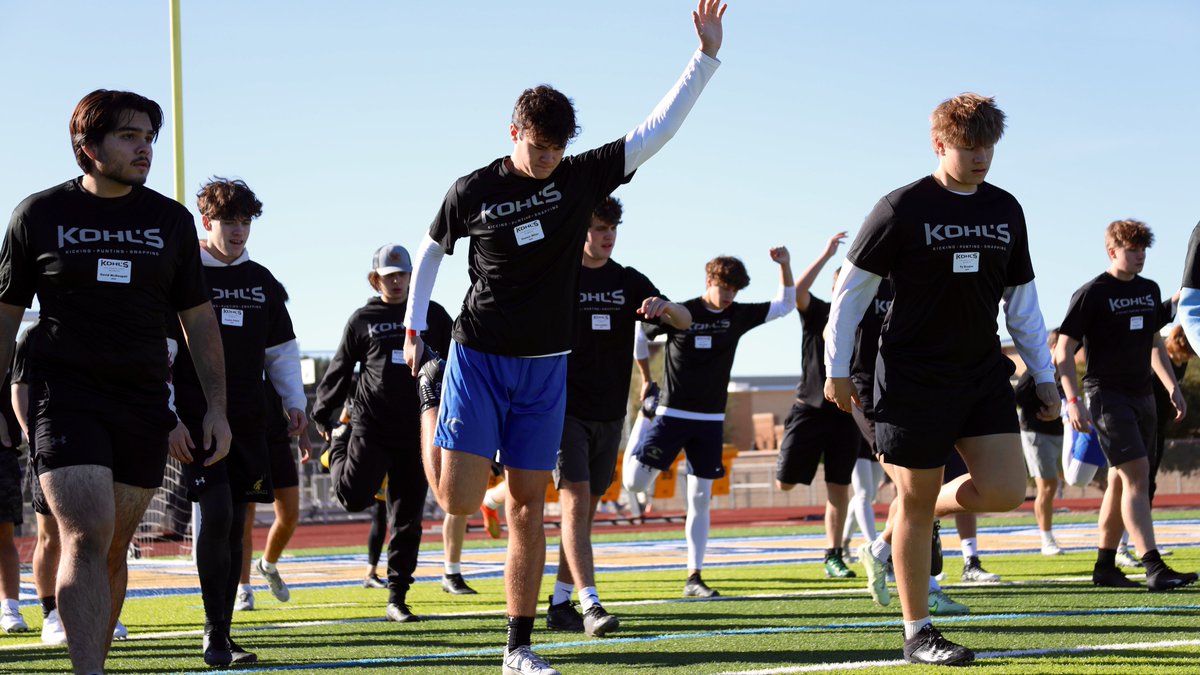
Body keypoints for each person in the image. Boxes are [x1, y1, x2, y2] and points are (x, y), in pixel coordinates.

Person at [402, 4, 727, 672]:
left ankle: (518, 647)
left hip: (547, 368)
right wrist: (414, 328)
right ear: (514, 132)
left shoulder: (579, 177)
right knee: (459, 499)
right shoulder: (473, 188)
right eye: (538, 147)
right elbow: (432, 250)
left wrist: (704, 59)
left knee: (528, 506)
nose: (548, 159)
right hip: (477, 357)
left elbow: (654, 131)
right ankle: (430, 400)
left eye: (557, 148)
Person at [0, 89, 231, 675]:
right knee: (86, 531)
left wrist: (216, 409)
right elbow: (5, 314)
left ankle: (93, 660)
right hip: (64, 394)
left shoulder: (170, 219)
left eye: (149, 136)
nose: (144, 147)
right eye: (129, 136)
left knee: (111, 545)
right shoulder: (38, 214)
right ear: (88, 146)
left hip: (143, 399)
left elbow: (198, 319)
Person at [824, 93, 1058, 666]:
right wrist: (836, 371)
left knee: (1005, 490)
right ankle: (917, 632)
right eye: (970, 146)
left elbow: (1021, 303)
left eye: (989, 146)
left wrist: (1046, 375)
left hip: (980, 372)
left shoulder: (1006, 209)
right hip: (911, 377)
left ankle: (886, 538)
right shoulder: (900, 207)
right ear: (939, 144)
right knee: (915, 496)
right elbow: (849, 296)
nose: (982, 157)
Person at [172, 177, 306, 666]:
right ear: (207, 221)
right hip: (198, 419)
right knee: (220, 515)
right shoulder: (185, 275)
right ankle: (212, 634)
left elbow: (282, 351)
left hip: (251, 421)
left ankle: (223, 635)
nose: (238, 231)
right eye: (229, 221)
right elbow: (164, 351)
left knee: (235, 528)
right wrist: (168, 413)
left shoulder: (263, 281)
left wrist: (295, 403)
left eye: (245, 222)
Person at [546, 195, 690, 637]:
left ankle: (558, 604)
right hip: (565, 411)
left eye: (611, 229)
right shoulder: (558, 274)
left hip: (610, 416)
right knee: (574, 508)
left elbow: (684, 321)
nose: (606, 236)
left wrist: (663, 308)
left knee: (584, 516)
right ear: (580, 230)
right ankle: (591, 604)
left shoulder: (627, 280)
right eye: (597, 228)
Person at [624, 249, 794, 597]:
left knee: (701, 498)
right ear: (709, 281)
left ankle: (694, 576)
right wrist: (644, 378)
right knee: (636, 484)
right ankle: (643, 419)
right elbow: (640, 332)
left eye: (735, 288)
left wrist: (785, 266)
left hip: (710, 420)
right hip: (670, 414)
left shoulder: (738, 315)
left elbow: (785, 305)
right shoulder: (683, 312)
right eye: (724, 286)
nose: (729, 294)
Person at [312, 244, 453, 624]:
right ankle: (340, 447)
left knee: (408, 518)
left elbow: (457, 364)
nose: (396, 281)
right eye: (389, 275)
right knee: (353, 497)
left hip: (418, 430)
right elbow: (341, 367)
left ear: (412, 277)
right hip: (370, 427)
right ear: (376, 279)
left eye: (402, 274)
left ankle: (397, 597)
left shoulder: (434, 316)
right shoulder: (364, 318)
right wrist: (325, 415)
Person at [1054, 218, 1197, 592]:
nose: (1139, 257)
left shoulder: (1150, 290)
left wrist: (1171, 387)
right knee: (1137, 474)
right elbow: (1063, 350)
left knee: (1120, 481)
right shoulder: (1092, 293)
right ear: (1112, 250)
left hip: (1143, 396)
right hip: (1106, 396)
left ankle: (1104, 565)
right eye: (1132, 250)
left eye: (1143, 250)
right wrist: (1070, 399)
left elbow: (1153, 343)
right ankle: (1153, 564)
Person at [774, 232, 861, 579]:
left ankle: (833, 554)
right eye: (839, 283)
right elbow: (796, 294)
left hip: (845, 413)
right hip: (808, 409)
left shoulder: (864, 319)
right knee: (785, 483)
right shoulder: (818, 313)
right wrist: (825, 254)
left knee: (840, 487)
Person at [235, 382, 313, 611]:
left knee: (290, 515)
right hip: (243, 433)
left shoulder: (276, 347)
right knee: (244, 517)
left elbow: (287, 382)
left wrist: (304, 433)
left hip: (276, 434)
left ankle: (267, 565)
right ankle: (244, 589)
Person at [1015, 330, 1066, 556]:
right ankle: (1046, 539)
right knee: (1047, 486)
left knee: (1059, 483)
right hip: (1036, 433)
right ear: (1052, 346)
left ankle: (1049, 535)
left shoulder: (1064, 373)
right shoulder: (1035, 371)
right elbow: (1017, 397)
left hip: (1059, 434)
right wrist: (1041, 409)